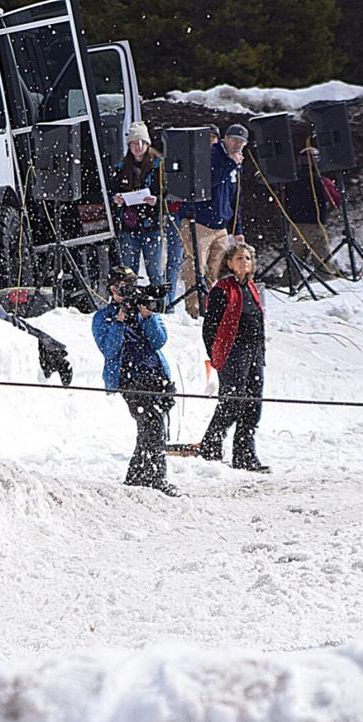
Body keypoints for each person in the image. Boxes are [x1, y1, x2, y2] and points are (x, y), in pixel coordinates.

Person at [92, 265, 180, 496]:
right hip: (128, 379)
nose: (130, 291)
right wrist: (119, 322)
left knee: (150, 427)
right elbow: (109, 349)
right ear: (113, 289)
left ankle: (137, 476)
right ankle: (156, 478)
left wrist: (148, 317)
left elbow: (159, 341)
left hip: (155, 375)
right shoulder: (103, 317)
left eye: (132, 285)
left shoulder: (145, 308)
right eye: (124, 286)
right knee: (152, 424)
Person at [199, 243, 269, 472]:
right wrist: (216, 353)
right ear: (229, 262)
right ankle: (211, 444)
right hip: (233, 351)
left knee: (253, 403)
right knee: (231, 402)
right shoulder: (222, 289)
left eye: (248, 258)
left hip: (254, 352)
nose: (244, 262)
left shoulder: (251, 288)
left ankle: (245, 453)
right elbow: (210, 326)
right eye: (239, 258)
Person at [180, 123, 246, 318]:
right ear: (225, 138)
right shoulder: (210, 154)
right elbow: (206, 183)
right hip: (199, 222)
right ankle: (194, 310)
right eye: (234, 140)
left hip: (221, 226)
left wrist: (238, 228)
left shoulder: (236, 163)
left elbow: (235, 198)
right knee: (196, 267)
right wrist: (230, 164)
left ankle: (207, 307)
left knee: (215, 269)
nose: (237, 145)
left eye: (241, 142)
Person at [111, 122, 164, 287]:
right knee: (129, 272)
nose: (138, 146)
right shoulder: (121, 167)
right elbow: (113, 191)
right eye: (134, 143)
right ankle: (130, 305)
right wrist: (117, 199)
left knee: (154, 272)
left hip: (152, 225)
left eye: (141, 142)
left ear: (147, 143)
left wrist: (156, 200)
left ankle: (158, 305)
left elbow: (167, 193)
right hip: (129, 225)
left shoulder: (158, 166)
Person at [283, 147, 340, 279]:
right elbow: (335, 200)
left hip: (296, 224)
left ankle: (289, 283)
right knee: (322, 261)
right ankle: (328, 283)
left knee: (295, 261)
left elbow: (283, 201)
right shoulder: (322, 181)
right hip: (315, 224)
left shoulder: (291, 180)